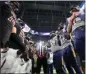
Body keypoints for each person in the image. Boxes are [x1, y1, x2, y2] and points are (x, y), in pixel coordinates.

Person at [67, 5, 85, 72]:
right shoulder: (70, 19)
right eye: (72, 11)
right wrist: (71, 21)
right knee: (82, 59)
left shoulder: (83, 14)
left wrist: (81, 15)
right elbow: (68, 31)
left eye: (75, 10)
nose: (74, 12)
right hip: (78, 40)